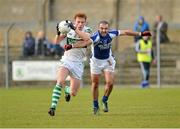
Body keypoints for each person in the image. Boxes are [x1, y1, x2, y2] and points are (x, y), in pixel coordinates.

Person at [65, 20, 151, 114]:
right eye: (102, 28)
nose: (104, 30)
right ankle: (95, 105)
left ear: (108, 28)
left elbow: (126, 32)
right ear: (99, 28)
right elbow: (85, 43)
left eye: (106, 28)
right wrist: (72, 46)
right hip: (96, 62)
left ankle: (105, 100)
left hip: (108, 60)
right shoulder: (95, 36)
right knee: (95, 84)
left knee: (110, 83)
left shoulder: (111, 34)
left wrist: (140, 33)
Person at [48, 12, 92, 116]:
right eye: (78, 22)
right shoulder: (68, 30)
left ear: (85, 22)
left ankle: (68, 90)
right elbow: (56, 42)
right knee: (60, 81)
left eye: (82, 22)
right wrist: (58, 32)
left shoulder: (87, 30)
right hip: (67, 60)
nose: (80, 24)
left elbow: (86, 39)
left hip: (78, 63)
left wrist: (75, 30)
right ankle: (52, 107)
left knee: (73, 93)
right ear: (74, 21)